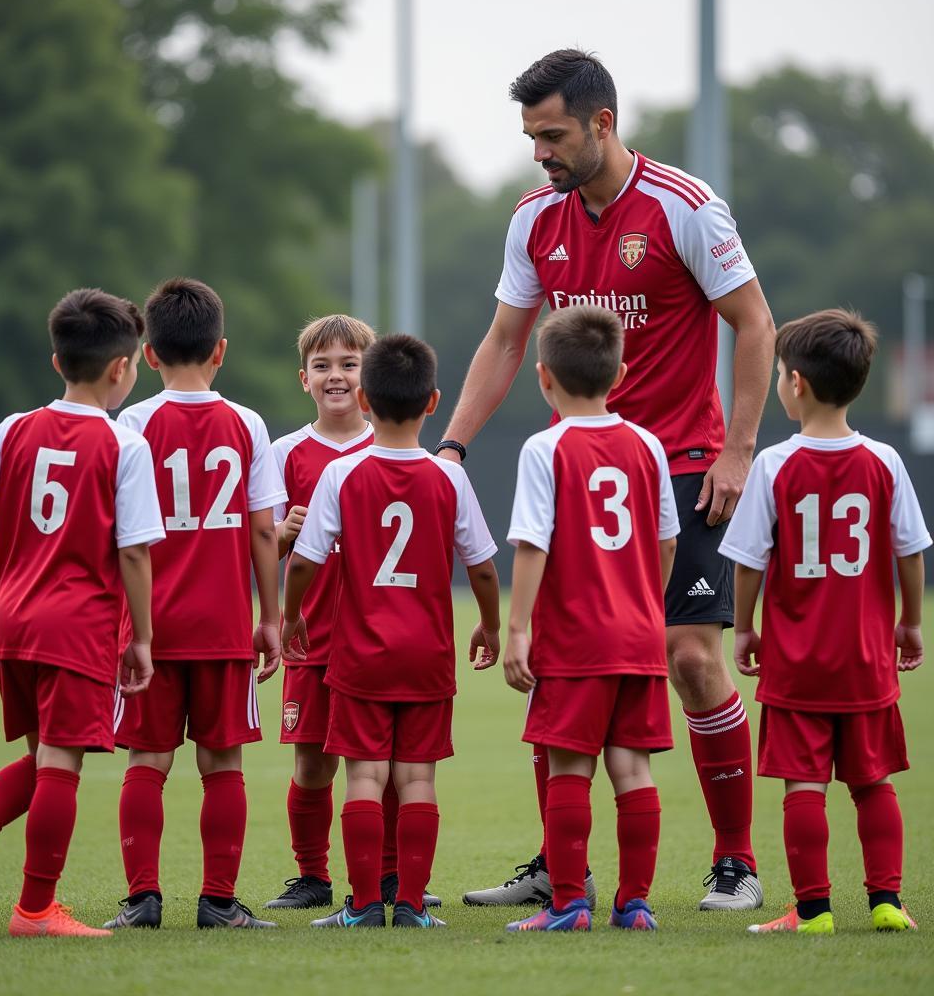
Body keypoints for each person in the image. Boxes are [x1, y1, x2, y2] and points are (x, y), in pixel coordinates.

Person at [444, 49, 775, 910]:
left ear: (602, 123)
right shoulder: (533, 220)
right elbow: (506, 341)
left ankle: (735, 861)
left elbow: (755, 323)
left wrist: (739, 448)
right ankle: (564, 870)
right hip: (579, 473)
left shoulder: (685, 208)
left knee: (693, 657)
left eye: (552, 135)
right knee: (561, 665)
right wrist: (451, 449)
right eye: (530, 137)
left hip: (685, 464)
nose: (539, 153)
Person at [0, 288, 164, 937]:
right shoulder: (124, 446)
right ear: (122, 369)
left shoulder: (16, 430)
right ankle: (35, 909)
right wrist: (140, 639)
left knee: (45, 757)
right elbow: (136, 555)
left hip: (12, 620)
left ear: (58, 362)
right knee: (63, 763)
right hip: (78, 624)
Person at [719, 309, 929, 935]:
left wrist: (746, 626)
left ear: (796, 384)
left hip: (797, 661)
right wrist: (911, 624)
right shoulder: (885, 461)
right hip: (866, 658)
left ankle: (812, 911)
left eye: (781, 373)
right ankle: (887, 902)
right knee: (873, 783)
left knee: (802, 786)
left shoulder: (776, 465)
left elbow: (751, 561)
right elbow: (910, 552)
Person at [281, 334, 501, 928]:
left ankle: (361, 906)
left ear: (365, 399)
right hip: (429, 655)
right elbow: (481, 564)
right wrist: (489, 623)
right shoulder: (448, 477)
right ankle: (410, 905)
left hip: (359, 656)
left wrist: (292, 612)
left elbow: (304, 560)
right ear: (433, 403)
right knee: (417, 779)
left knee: (365, 776)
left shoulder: (342, 474)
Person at [106, 278, 286, 930]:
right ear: (221, 351)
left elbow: (119, 531)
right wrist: (270, 617)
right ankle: (217, 901)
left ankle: (142, 899)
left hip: (148, 624)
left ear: (149, 354)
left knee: (147, 760)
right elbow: (264, 529)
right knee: (223, 763)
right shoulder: (247, 423)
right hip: (223, 624)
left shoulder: (130, 423)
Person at [501, 307, 678, 933]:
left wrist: (517, 626)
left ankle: (570, 904)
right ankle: (635, 905)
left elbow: (532, 543)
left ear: (542, 377)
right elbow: (665, 540)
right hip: (639, 634)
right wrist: (645, 603)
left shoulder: (546, 447)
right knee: (633, 769)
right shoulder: (649, 445)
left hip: (576, 639)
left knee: (569, 768)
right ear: (622, 373)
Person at [265, 316, 440, 912]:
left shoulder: (394, 446)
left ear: (371, 380)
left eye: (348, 364)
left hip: (382, 639)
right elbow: (258, 546)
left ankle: (392, 878)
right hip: (311, 636)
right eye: (322, 365)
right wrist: (280, 536)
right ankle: (312, 876)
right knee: (312, 760)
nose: (335, 376)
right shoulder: (284, 453)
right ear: (304, 379)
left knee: (389, 767)